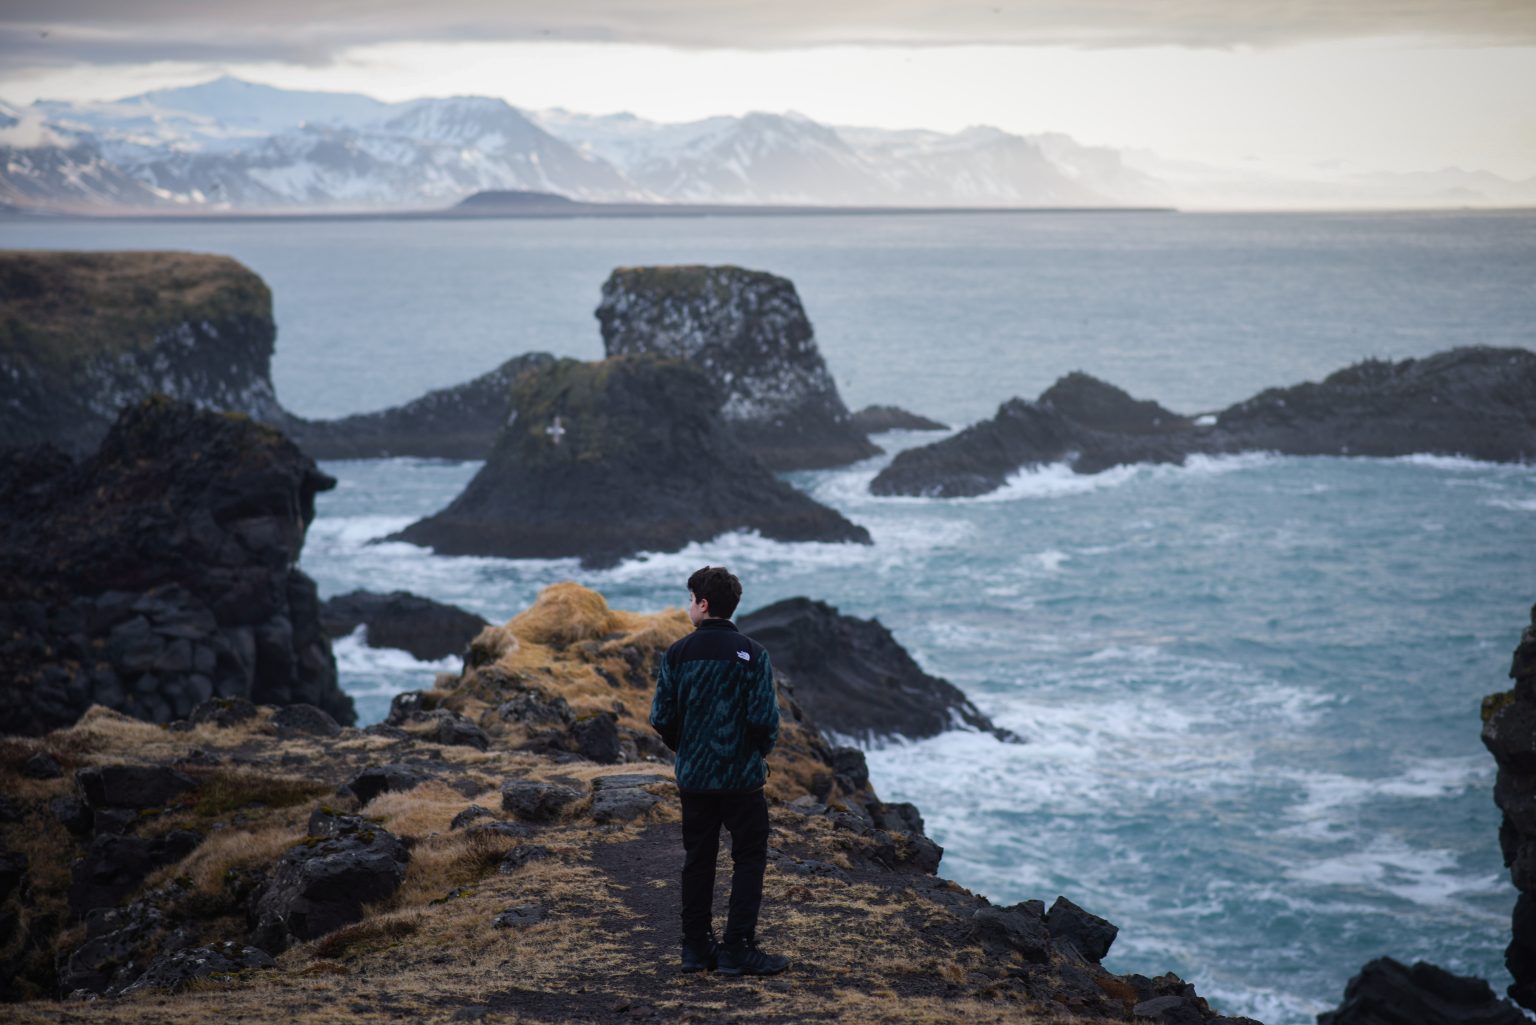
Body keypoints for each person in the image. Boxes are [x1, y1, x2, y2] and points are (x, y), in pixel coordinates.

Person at [649, 565, 790, 977]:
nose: (688, 606)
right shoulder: (753, 653)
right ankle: (737, 948)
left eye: (690, 599)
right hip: (742, 779)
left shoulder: (677, 653)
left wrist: (687, 749)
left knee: (699, 858)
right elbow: (765, 720)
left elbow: (661, 716)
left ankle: (695, 949)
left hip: (694, 779)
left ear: (704, 604)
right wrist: (755, 754)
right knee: (749, 858)